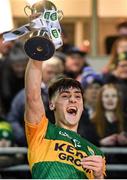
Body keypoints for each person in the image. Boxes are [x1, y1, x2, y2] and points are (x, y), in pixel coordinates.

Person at [24, 58, 106, 179]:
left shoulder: (97, 153)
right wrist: (37, 54)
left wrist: (99, 176)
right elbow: (32, 96)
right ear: (52, 104)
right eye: (65, 96)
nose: (73, 99)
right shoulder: (42, 131)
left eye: (78, 96)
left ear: (82, 106)